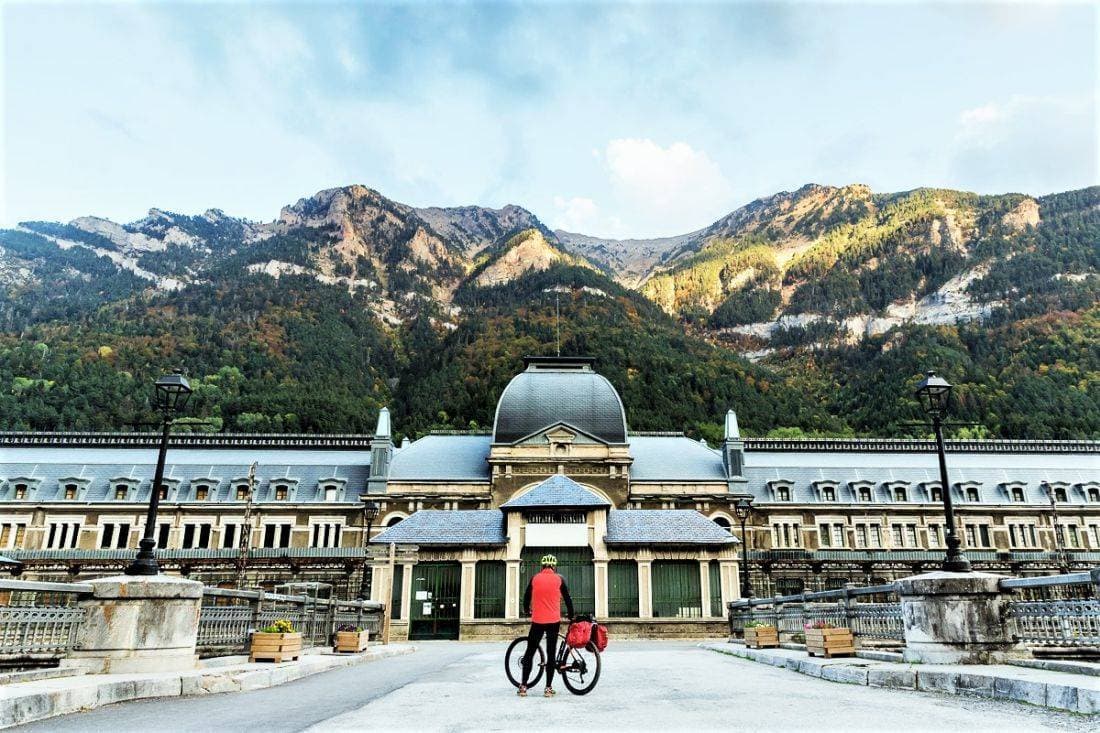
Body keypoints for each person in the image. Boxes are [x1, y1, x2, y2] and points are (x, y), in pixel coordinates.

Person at [518, 554, 574, 698]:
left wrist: (526, 610)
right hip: (553, 622)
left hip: (537, 620)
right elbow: (567, 598)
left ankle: (523, 686)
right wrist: (571, 614)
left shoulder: (535, 578)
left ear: (542, 566)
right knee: (550, 654)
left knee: (530, 652)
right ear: (554, 567)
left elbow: (526, 596)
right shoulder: (559, 579)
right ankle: (548, 689)